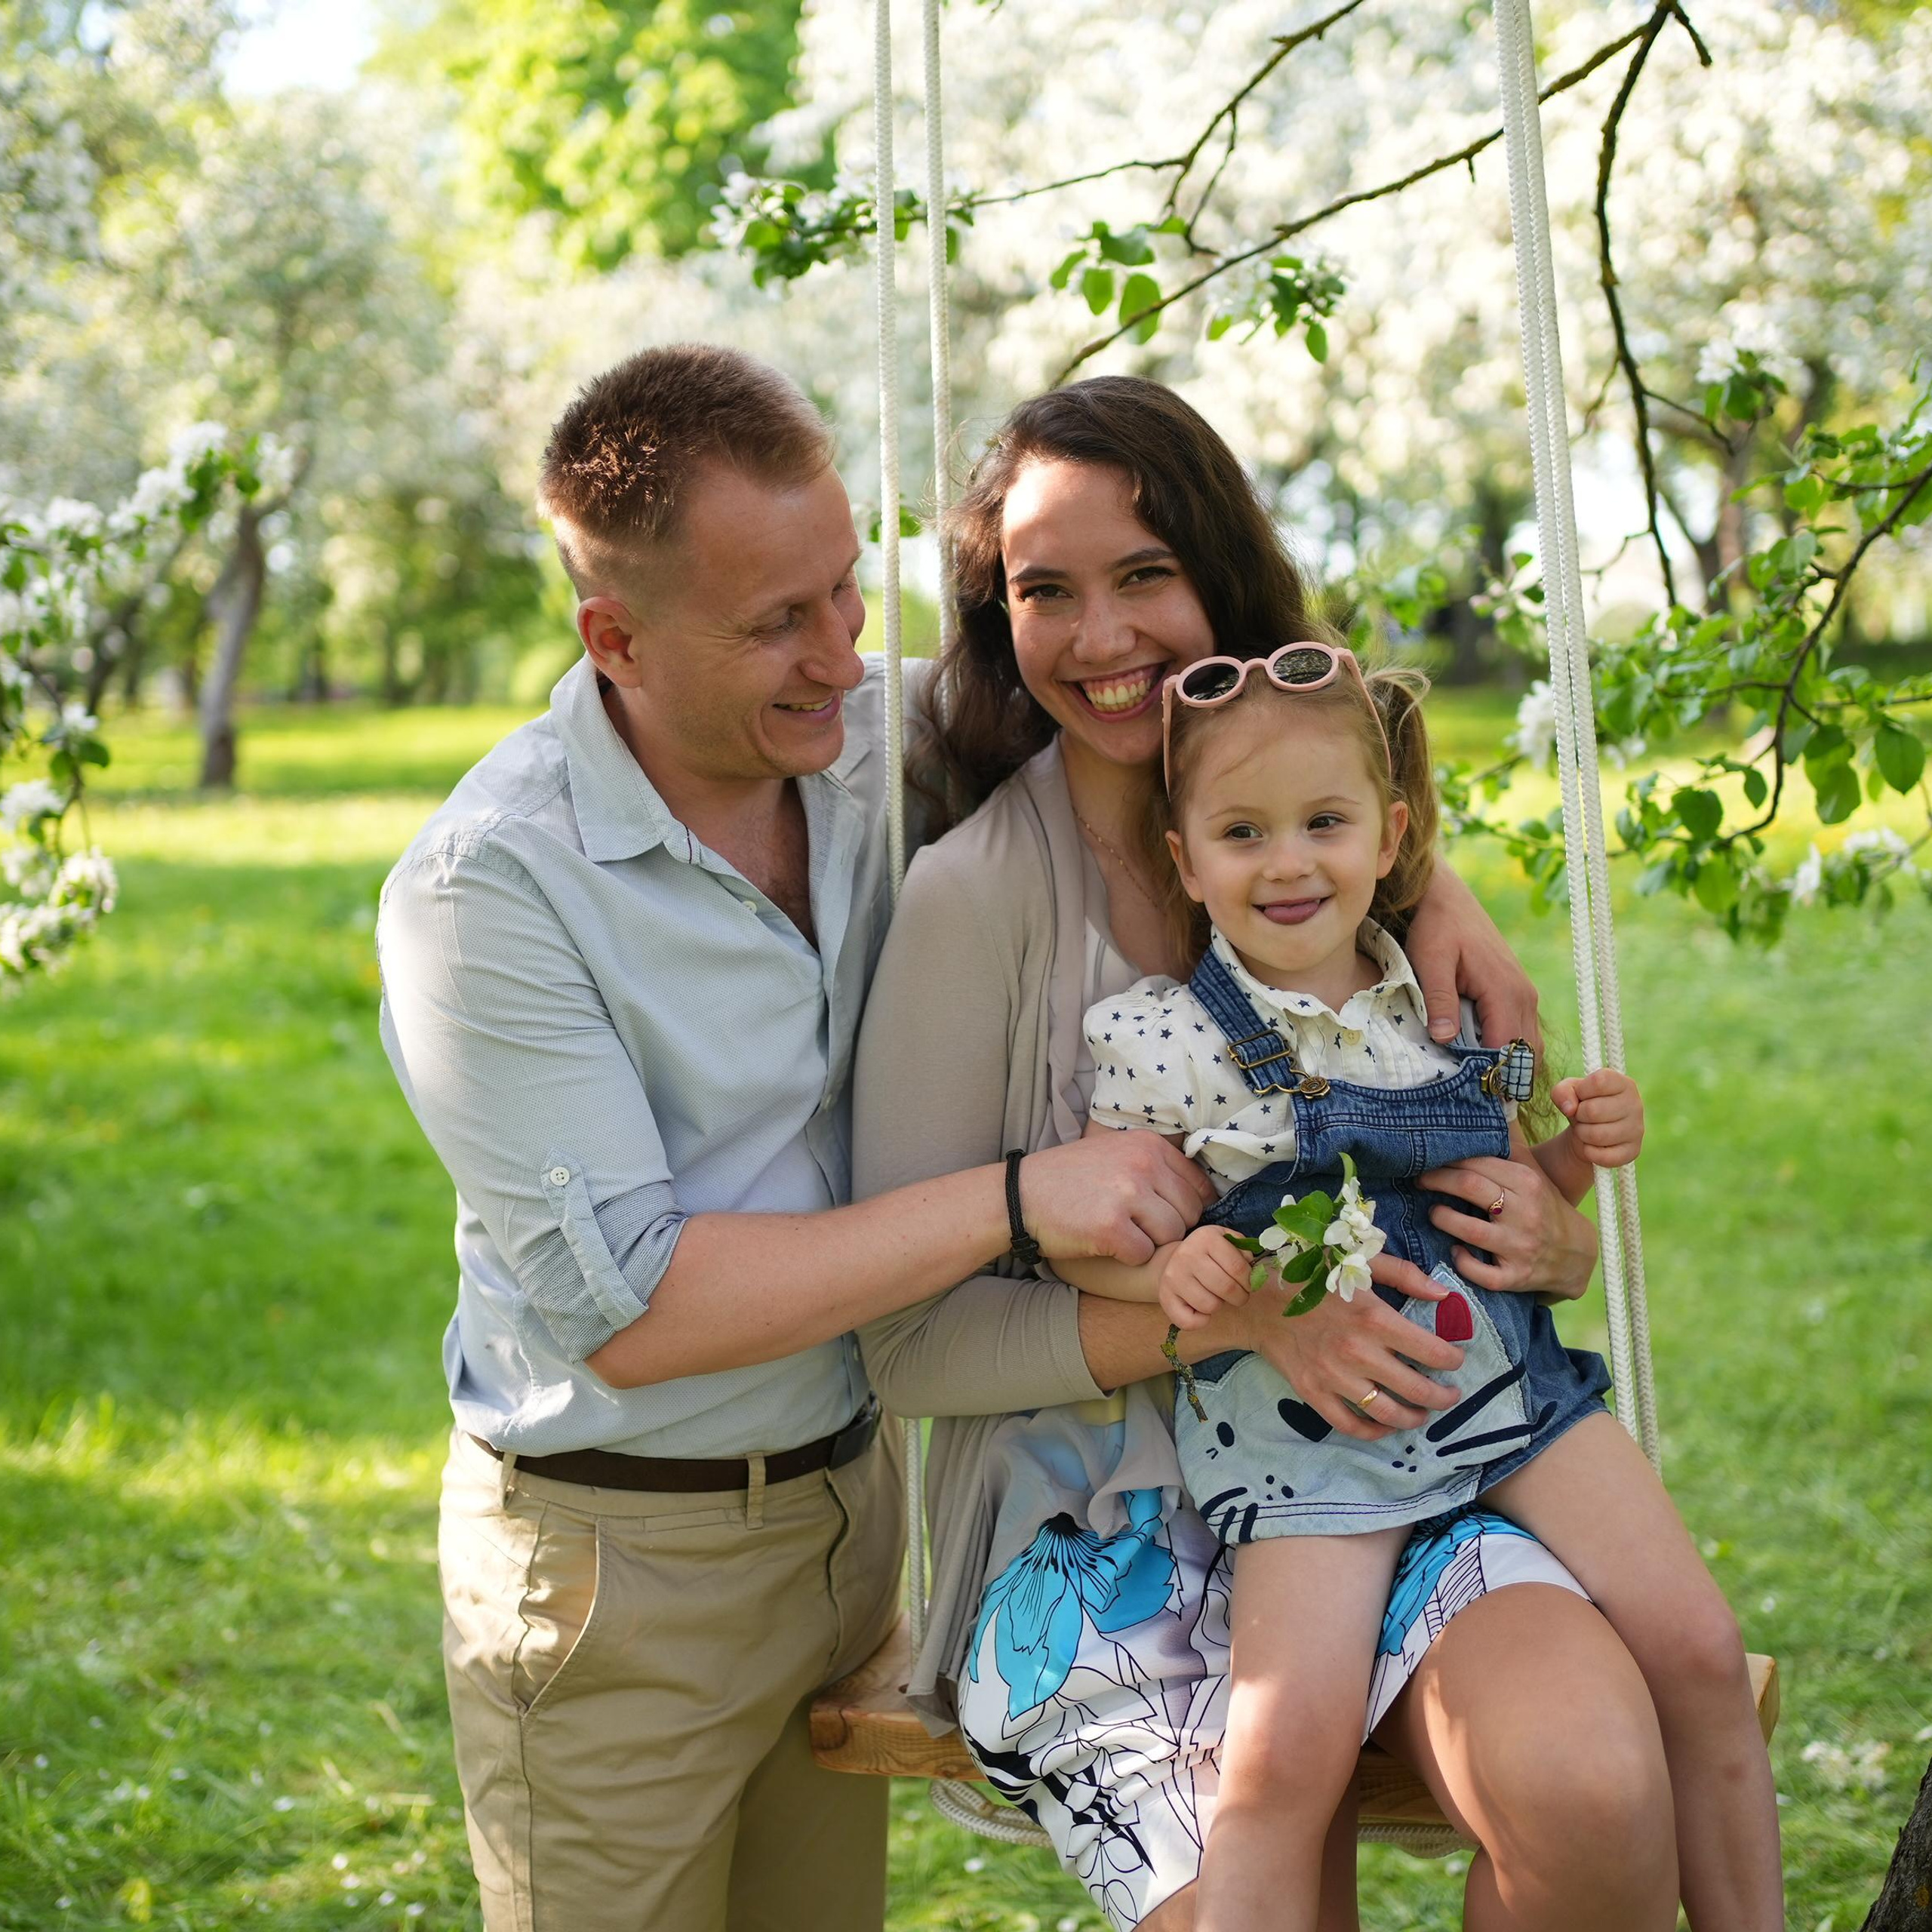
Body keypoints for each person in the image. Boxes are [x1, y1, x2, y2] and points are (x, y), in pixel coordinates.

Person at [375, 343, 1229, 1932]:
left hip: (851, 1524)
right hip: (613, 1568)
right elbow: (636, 1306)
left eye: (845, 592)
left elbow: (1175, 726)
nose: (842, 656)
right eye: (777, 620)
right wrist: (1008, 1200)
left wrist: (1427, 886)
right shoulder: (486, 893)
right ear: (611, 636)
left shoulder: (868, 747)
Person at [854, 375, 1693, 1930]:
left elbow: (1485, 1176)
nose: (1101, 635)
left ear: (1222, 578)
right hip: (1107, 1539)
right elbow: (904, 1348)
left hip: (1409, 1459)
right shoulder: (977, 900)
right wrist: (1219, 1313)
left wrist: (1549, 1233)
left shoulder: (1343, 868)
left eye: (1144, 575)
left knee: (1593, 1792)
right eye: (1045, 590)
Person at [1057, 642, 1781, 1931]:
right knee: (1282, 1762)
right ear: (1184, 860)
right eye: (1241, 832)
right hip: (1310, 1453)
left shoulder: (1451, 1005)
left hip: (1505, 1393)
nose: (1288, 864)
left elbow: (1520, 1188)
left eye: (1325, 823)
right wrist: (1180, 1270)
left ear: (1392, 837)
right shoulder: (1161, 1040)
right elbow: (1095, 1234)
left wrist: (1577, 1152)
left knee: (1703, 1654)